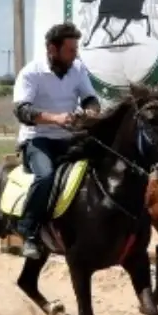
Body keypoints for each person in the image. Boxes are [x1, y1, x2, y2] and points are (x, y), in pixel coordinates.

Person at [12, 22, 102, 260]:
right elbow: (22, 111)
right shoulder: (31, 73)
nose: (75, 55)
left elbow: (91, 98)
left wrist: (91, 112)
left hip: (69, 138)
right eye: (70, 50)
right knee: (46, 176)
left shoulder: (78, 69)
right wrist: (54, 118)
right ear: (52, 49)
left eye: (76, 50)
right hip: (38, 139)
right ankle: (28, 231)